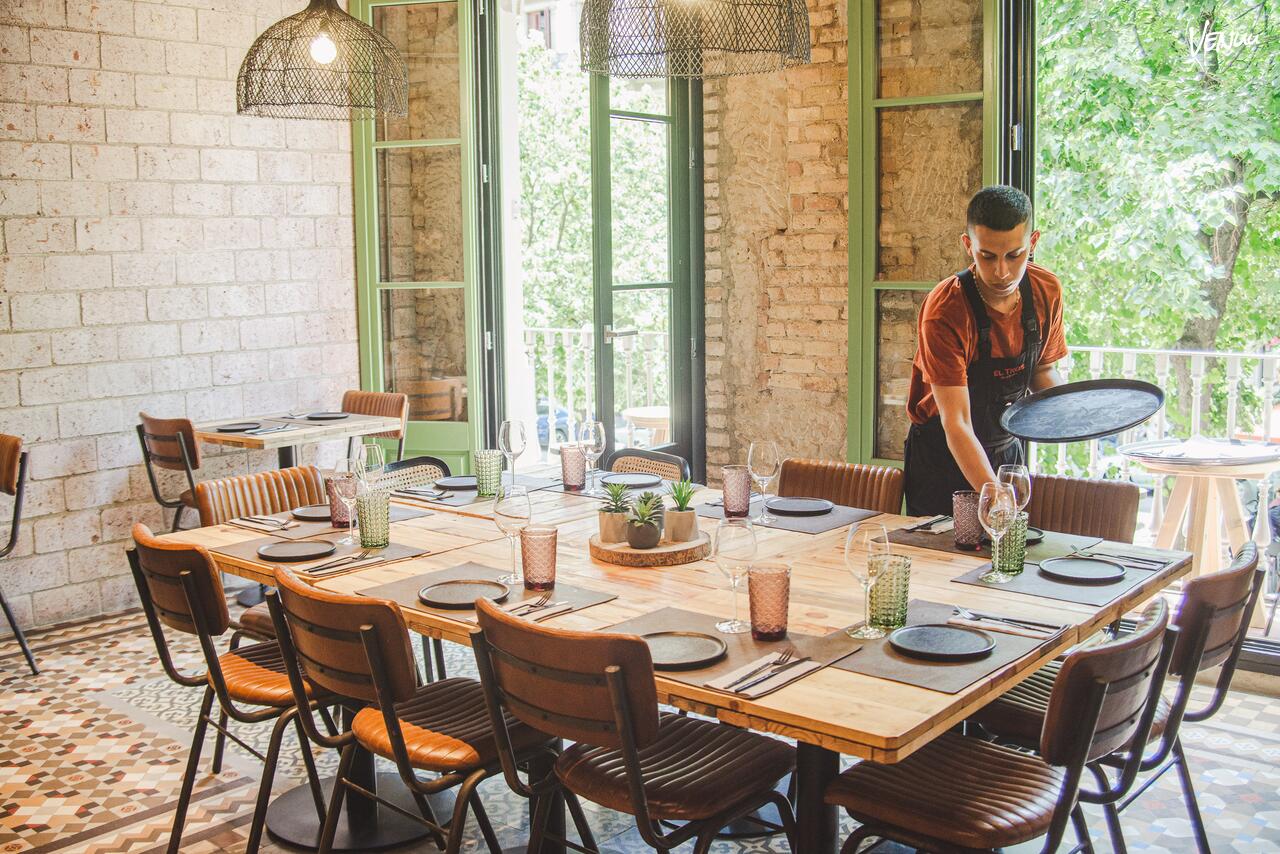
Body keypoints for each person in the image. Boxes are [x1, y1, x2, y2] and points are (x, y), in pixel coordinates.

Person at [903, 186, 1067, 516]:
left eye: (1015, 255)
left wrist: (1073, 412)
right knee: (945, 564)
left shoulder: (1045, 291)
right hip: (943, 457)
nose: (1002, 272)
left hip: (1006, 451)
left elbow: (1042, 371)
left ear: (1032, 243)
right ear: (969, 246)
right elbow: (958, 422)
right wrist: (992, 492)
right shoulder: (946, 309)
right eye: (987, 256)